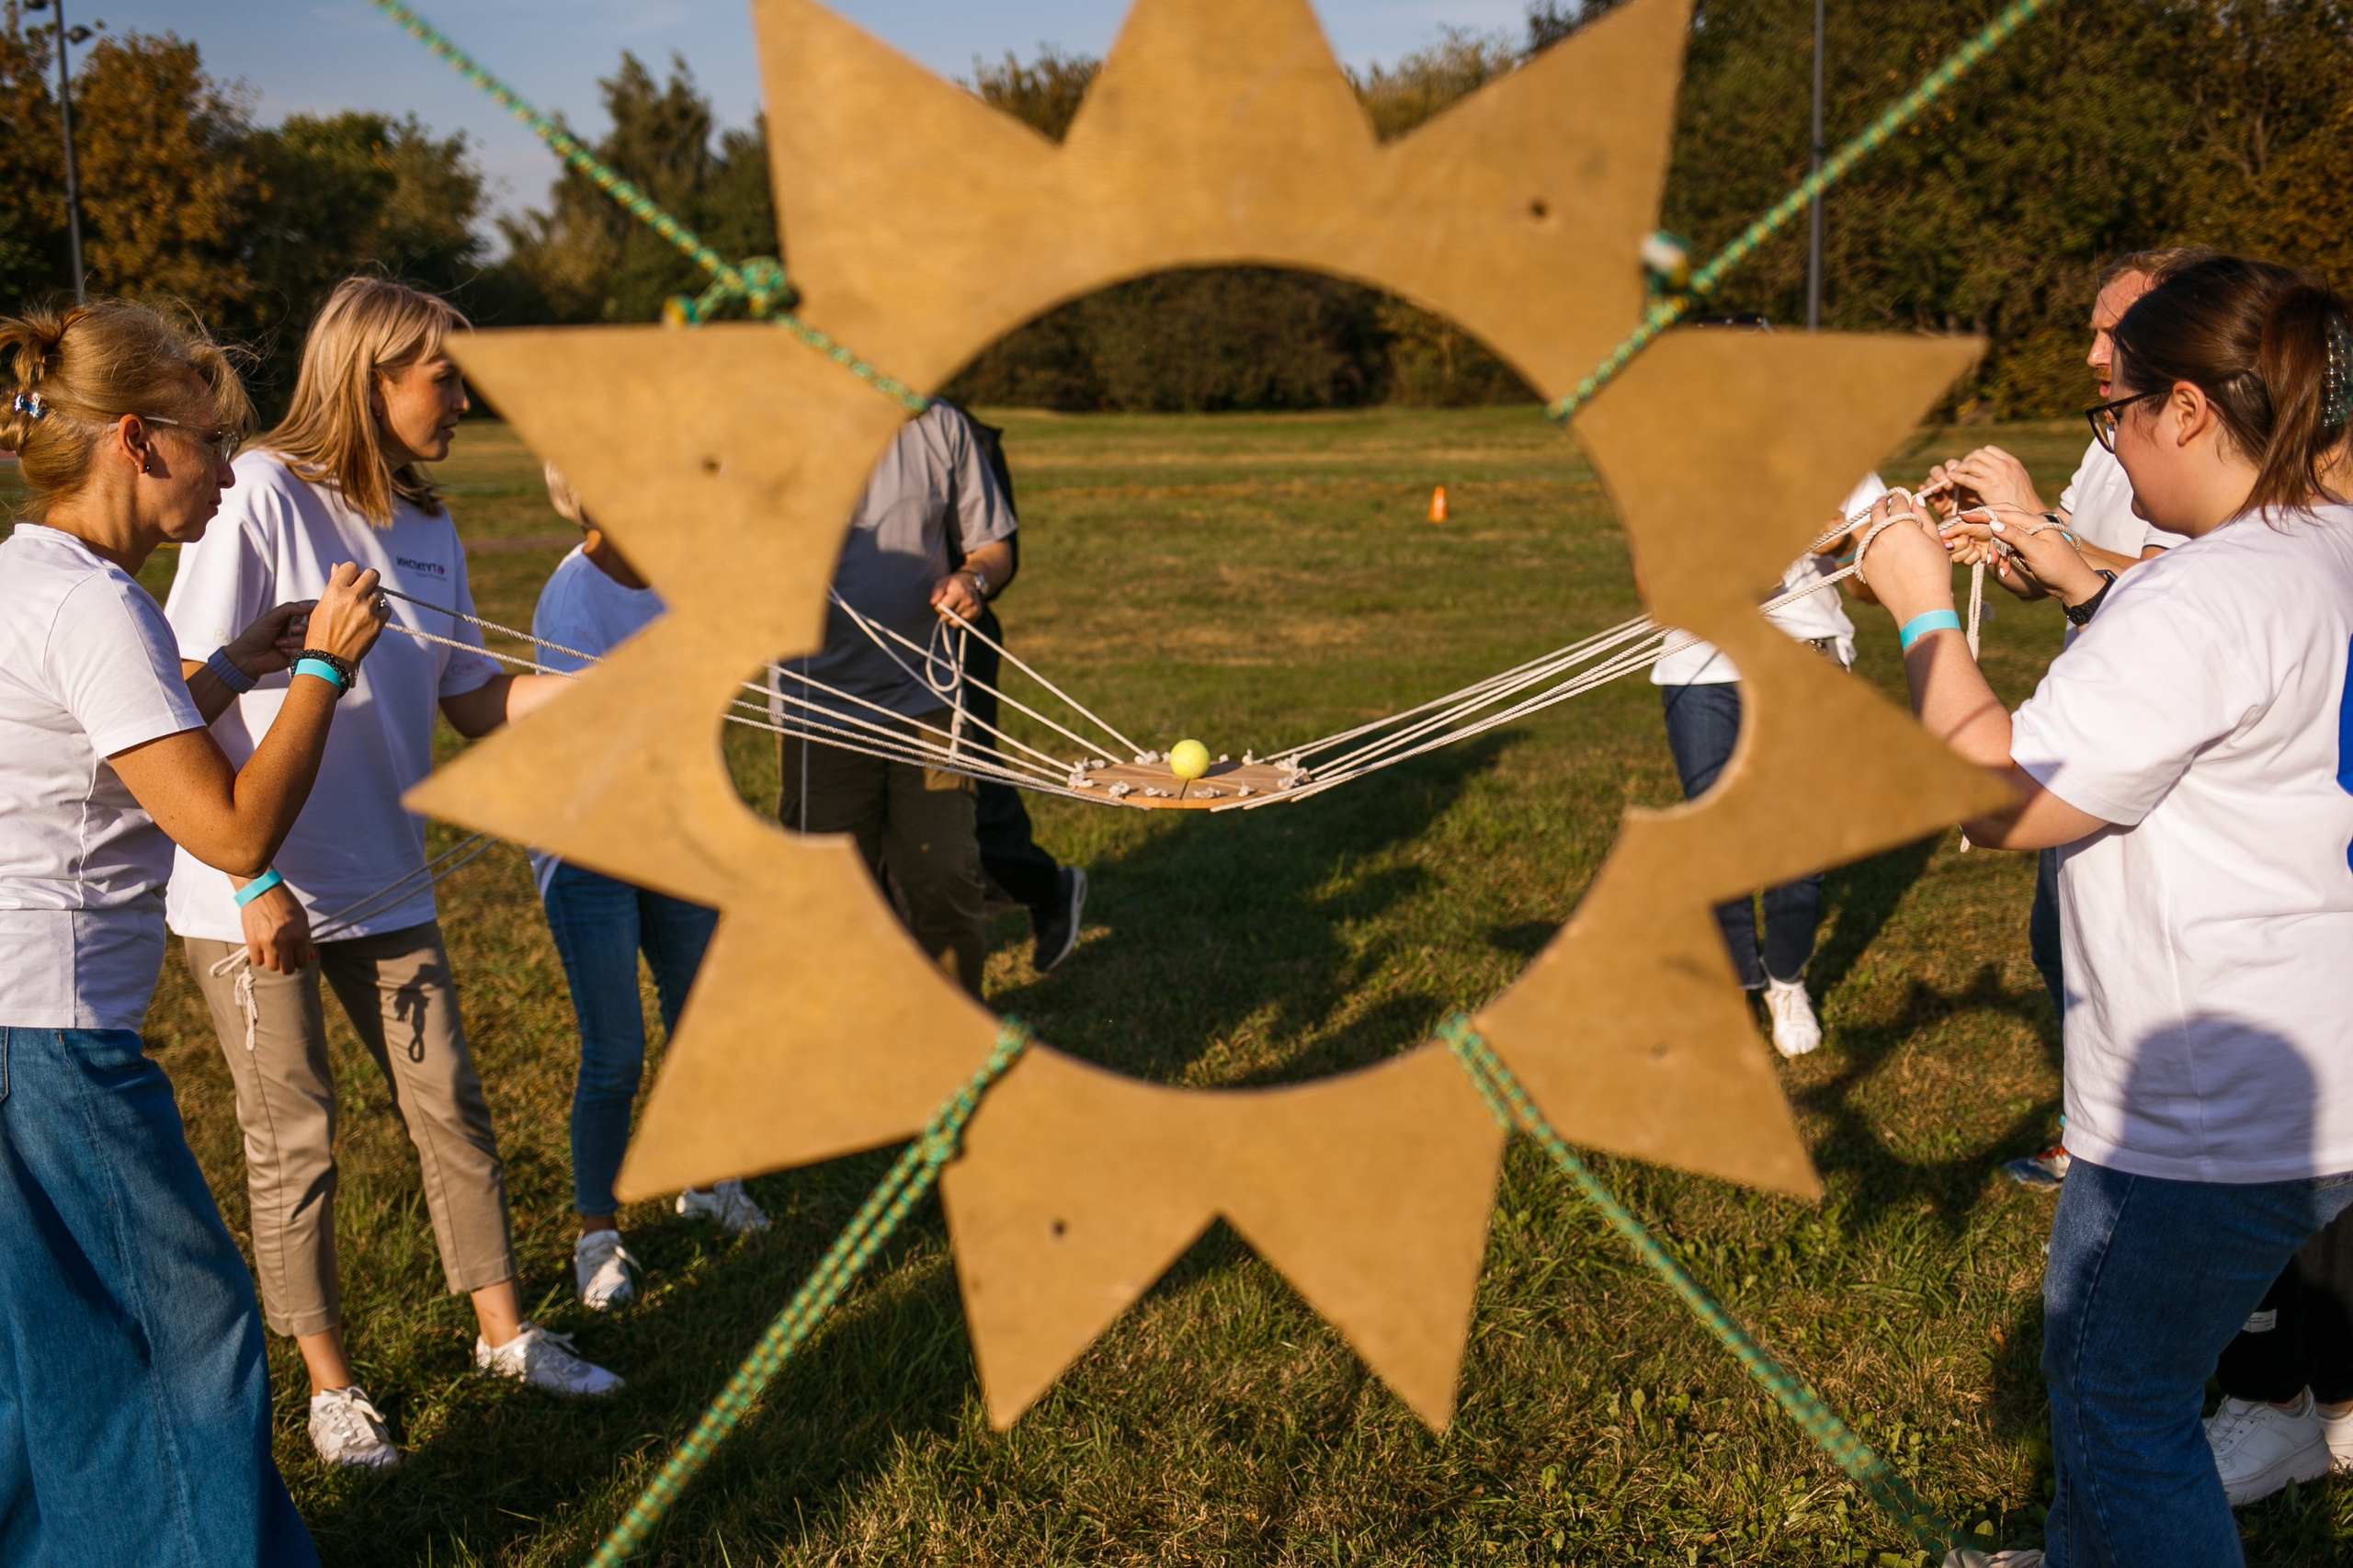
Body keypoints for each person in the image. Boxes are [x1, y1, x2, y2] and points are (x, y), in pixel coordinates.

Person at [1857, 254, 2353, 1567]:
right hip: (2318, 1068)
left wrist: (1918, 606)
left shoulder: (2206, 592)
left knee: (2119, 1405)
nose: (2112, 440)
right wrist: (2072, 567)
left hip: (2200, 1114)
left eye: (2118, 410)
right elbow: (2225, 667)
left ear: (2187, 408)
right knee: (2113, 1396)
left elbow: (2000, 799)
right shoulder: (2325, 545)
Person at [163, 278, 617, 1473]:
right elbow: (180, 701)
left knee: (450, 1107)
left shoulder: (427, 523)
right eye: (445, 378)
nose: (465, 400)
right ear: (374, 378)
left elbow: (473, 698)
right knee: (295, 1140)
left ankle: (505, 1333)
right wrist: (252, 881)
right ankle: (331, 1387)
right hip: (254, 888)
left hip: (386, 877)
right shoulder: (258, 492)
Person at [1, 299, 390, 1564]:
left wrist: (230, 666)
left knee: (46, 1341)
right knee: (188, 1328)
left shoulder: (33, 575)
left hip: (16, 1022)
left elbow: (103, 744)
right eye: (210, 437)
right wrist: (324, 668)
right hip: (50, 1042)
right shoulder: (94, 607)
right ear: (134, 438)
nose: (229, 465)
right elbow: (230, 829)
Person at [1927, 245, 2214, 1187]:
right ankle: (2088, 1119)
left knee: (2144, 965)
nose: (2093, 352)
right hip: (2084, 732)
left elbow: (2186, 588)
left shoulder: (2199, 453)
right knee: (2064, 947)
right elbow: (2063, 572)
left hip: (2153, 750)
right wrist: (2000, 536)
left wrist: (1938, 600)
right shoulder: (2109, 440)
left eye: (2113, 332)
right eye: (2092, 330)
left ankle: (2141, 1146)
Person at [530, 463, 770, 1313]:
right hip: (589, 845)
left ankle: (706, 1181)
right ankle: (597, 1234)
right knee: (616, 1052)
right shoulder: (572, 597)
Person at [773, 401, 1017, 997]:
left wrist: (972, 580)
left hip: (927, 697)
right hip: (818, 709)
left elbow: (994, 546)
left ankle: (953, 1030)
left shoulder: (939, 423)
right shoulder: (775, 415)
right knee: (830, 896)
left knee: (945, 878)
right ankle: (850, 1032)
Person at [1654, 472, 1886, 1057]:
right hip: (1700, 668)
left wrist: (1846, 545)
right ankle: (1737, 984)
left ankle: (1786, 980)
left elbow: (1876, 588)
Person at [958, 411, 1086, 971]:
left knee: (967, 787)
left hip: (950, 641)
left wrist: (968, 582)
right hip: (843, 658)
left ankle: (1042, 887)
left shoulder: (954, 433)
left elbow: (997, 552)